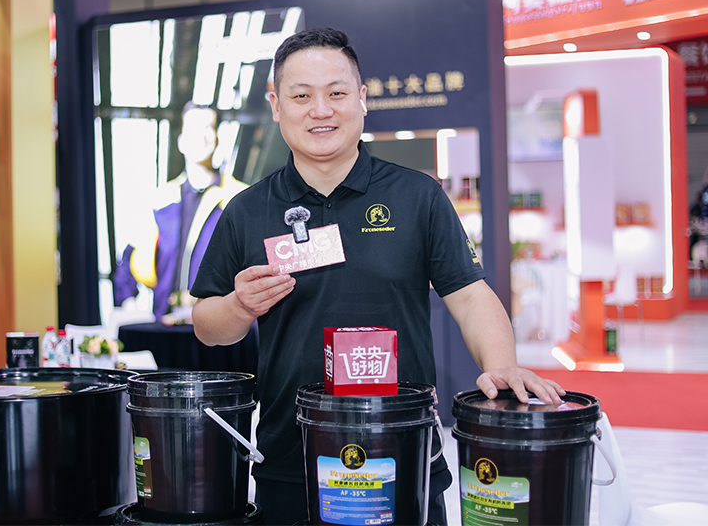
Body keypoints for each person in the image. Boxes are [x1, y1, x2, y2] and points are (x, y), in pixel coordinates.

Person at [190, 27, 564, 525]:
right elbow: (207, 325)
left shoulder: (418, 197)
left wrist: (503, 365)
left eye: (336, 93)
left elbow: (470, 295)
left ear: (362, 99)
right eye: (301, 96)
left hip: (404, 453)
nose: (320, 110)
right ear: (276, 106)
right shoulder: (246, 210)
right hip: (291, 460)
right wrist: (238, 307)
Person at [113, 103, 246, 325]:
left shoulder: (238, 198)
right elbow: (130, 258)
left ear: (217, 138)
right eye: (194, 128)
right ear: (181, 141)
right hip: (165, 324)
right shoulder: (160, 199)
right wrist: (129, 304)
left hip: (218, 327)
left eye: (208, 127)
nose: (202, 136)